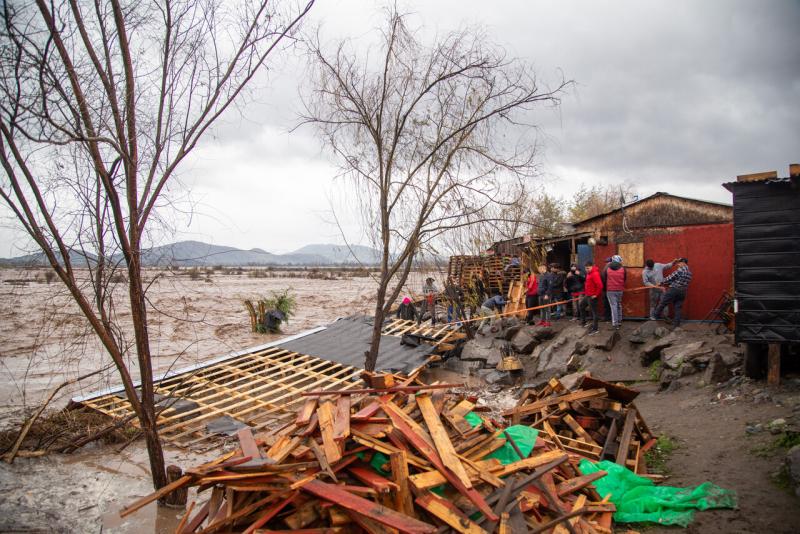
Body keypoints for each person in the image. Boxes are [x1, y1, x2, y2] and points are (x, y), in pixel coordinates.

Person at [652, 257, 692, 327]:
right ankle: (676, 324)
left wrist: (660, 283)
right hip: (683, 291)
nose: (678, 264)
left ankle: (655, 316)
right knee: (678, 307)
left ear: (683, 263)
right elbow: (678, 280)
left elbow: (670, 278)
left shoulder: (680, 270)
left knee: (663, 302)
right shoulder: (689, 273)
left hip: (674, 290)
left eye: (679, 263)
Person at [580, 260, 603, 335]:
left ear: (592, 267)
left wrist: (596, 295)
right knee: (581, 306)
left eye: (588, 268)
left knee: (594, 312)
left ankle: (595, 329)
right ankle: (584, 322)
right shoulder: (589, 274)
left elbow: (600, 286)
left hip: (592, 296)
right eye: (586, 268)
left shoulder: (595, 274)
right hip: (588, 295)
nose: (586, 270)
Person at [605, 254, 626, 330]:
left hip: (610, 290)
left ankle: (615, 324)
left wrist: (606, 288)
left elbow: (604, 278)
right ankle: (619, 321)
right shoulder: (623, 269)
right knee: (619, 304)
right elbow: (624, 279)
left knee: (613, 306)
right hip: (620, 289)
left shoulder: (607, 268)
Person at [600, 257, 612, 321]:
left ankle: (607, 317)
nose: (607, 263)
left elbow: (603, 279)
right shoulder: (611, 268)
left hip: (606, 289)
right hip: (610, 289)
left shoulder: (606, 269)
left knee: (606, 304)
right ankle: (610, 317)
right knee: (611, 304)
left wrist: (603, 288)